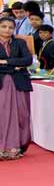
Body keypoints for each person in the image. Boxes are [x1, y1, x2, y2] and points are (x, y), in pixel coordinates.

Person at [0, 16, 32, 159]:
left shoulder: (20, 43)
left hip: (19, 83)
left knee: (21, 114)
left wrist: (6, 62)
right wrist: (15, 66)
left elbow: (27, 60)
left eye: (11, 27)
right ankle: (3, 147)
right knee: (3, 115)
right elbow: (20, 62)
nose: (7, 30)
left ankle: (17, 146)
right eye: (4, 26)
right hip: (2, 84)